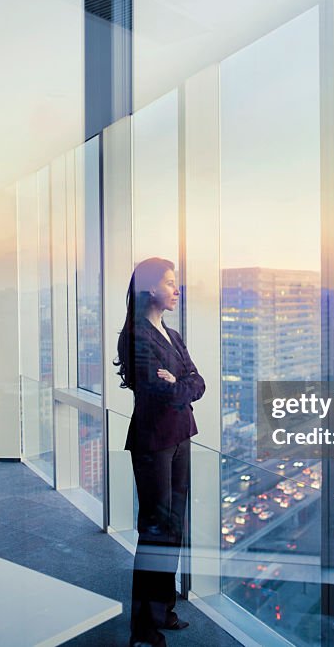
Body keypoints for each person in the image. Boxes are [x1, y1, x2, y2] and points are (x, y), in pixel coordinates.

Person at [114, 257, 205, 647]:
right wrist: (177, 385)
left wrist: (179, 383)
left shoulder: (171, 333)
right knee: (154, 532)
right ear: (151, 288)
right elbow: (155, 390)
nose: (177, 289)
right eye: (170, 283)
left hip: (181, 436)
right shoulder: (135, 336)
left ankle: (163, 609)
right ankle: (142, 629)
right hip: (153, 441)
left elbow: (197, 382)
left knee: (174, 528)